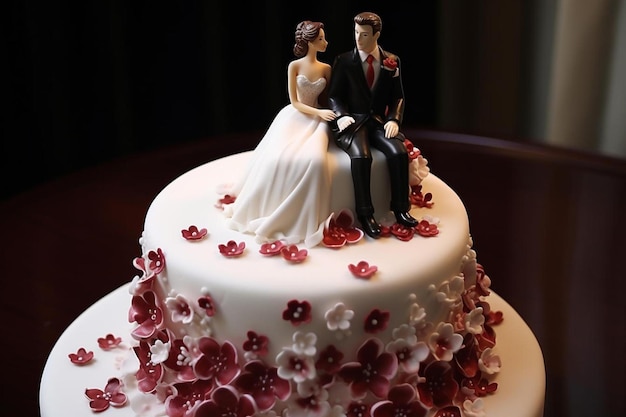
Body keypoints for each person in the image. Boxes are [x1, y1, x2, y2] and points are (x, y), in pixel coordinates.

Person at [223, 21, 337, 247]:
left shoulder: (326, 69)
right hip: (297, 117)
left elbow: (329, 99)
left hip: (319, 122)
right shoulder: (294, 66)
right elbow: (295, 102)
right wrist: (317, 112)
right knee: (278, 157)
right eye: (322, 39)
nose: (326, 42)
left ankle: (305, 215)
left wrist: (331, 117)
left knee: (315, 160)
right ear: (311, 42)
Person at [327, 11, 417, 238]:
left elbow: (398, 96)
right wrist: (341, 115)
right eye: (356, 33)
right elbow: (334, 96)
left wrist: (394, 119)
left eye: (364, 34)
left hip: (378, 121)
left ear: (376, 34)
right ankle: (365, 214)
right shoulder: (344, 61)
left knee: (397, 153)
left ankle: (400, 208)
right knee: (362, 157)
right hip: (354, 123)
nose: (358, 39)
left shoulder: (392, 61)